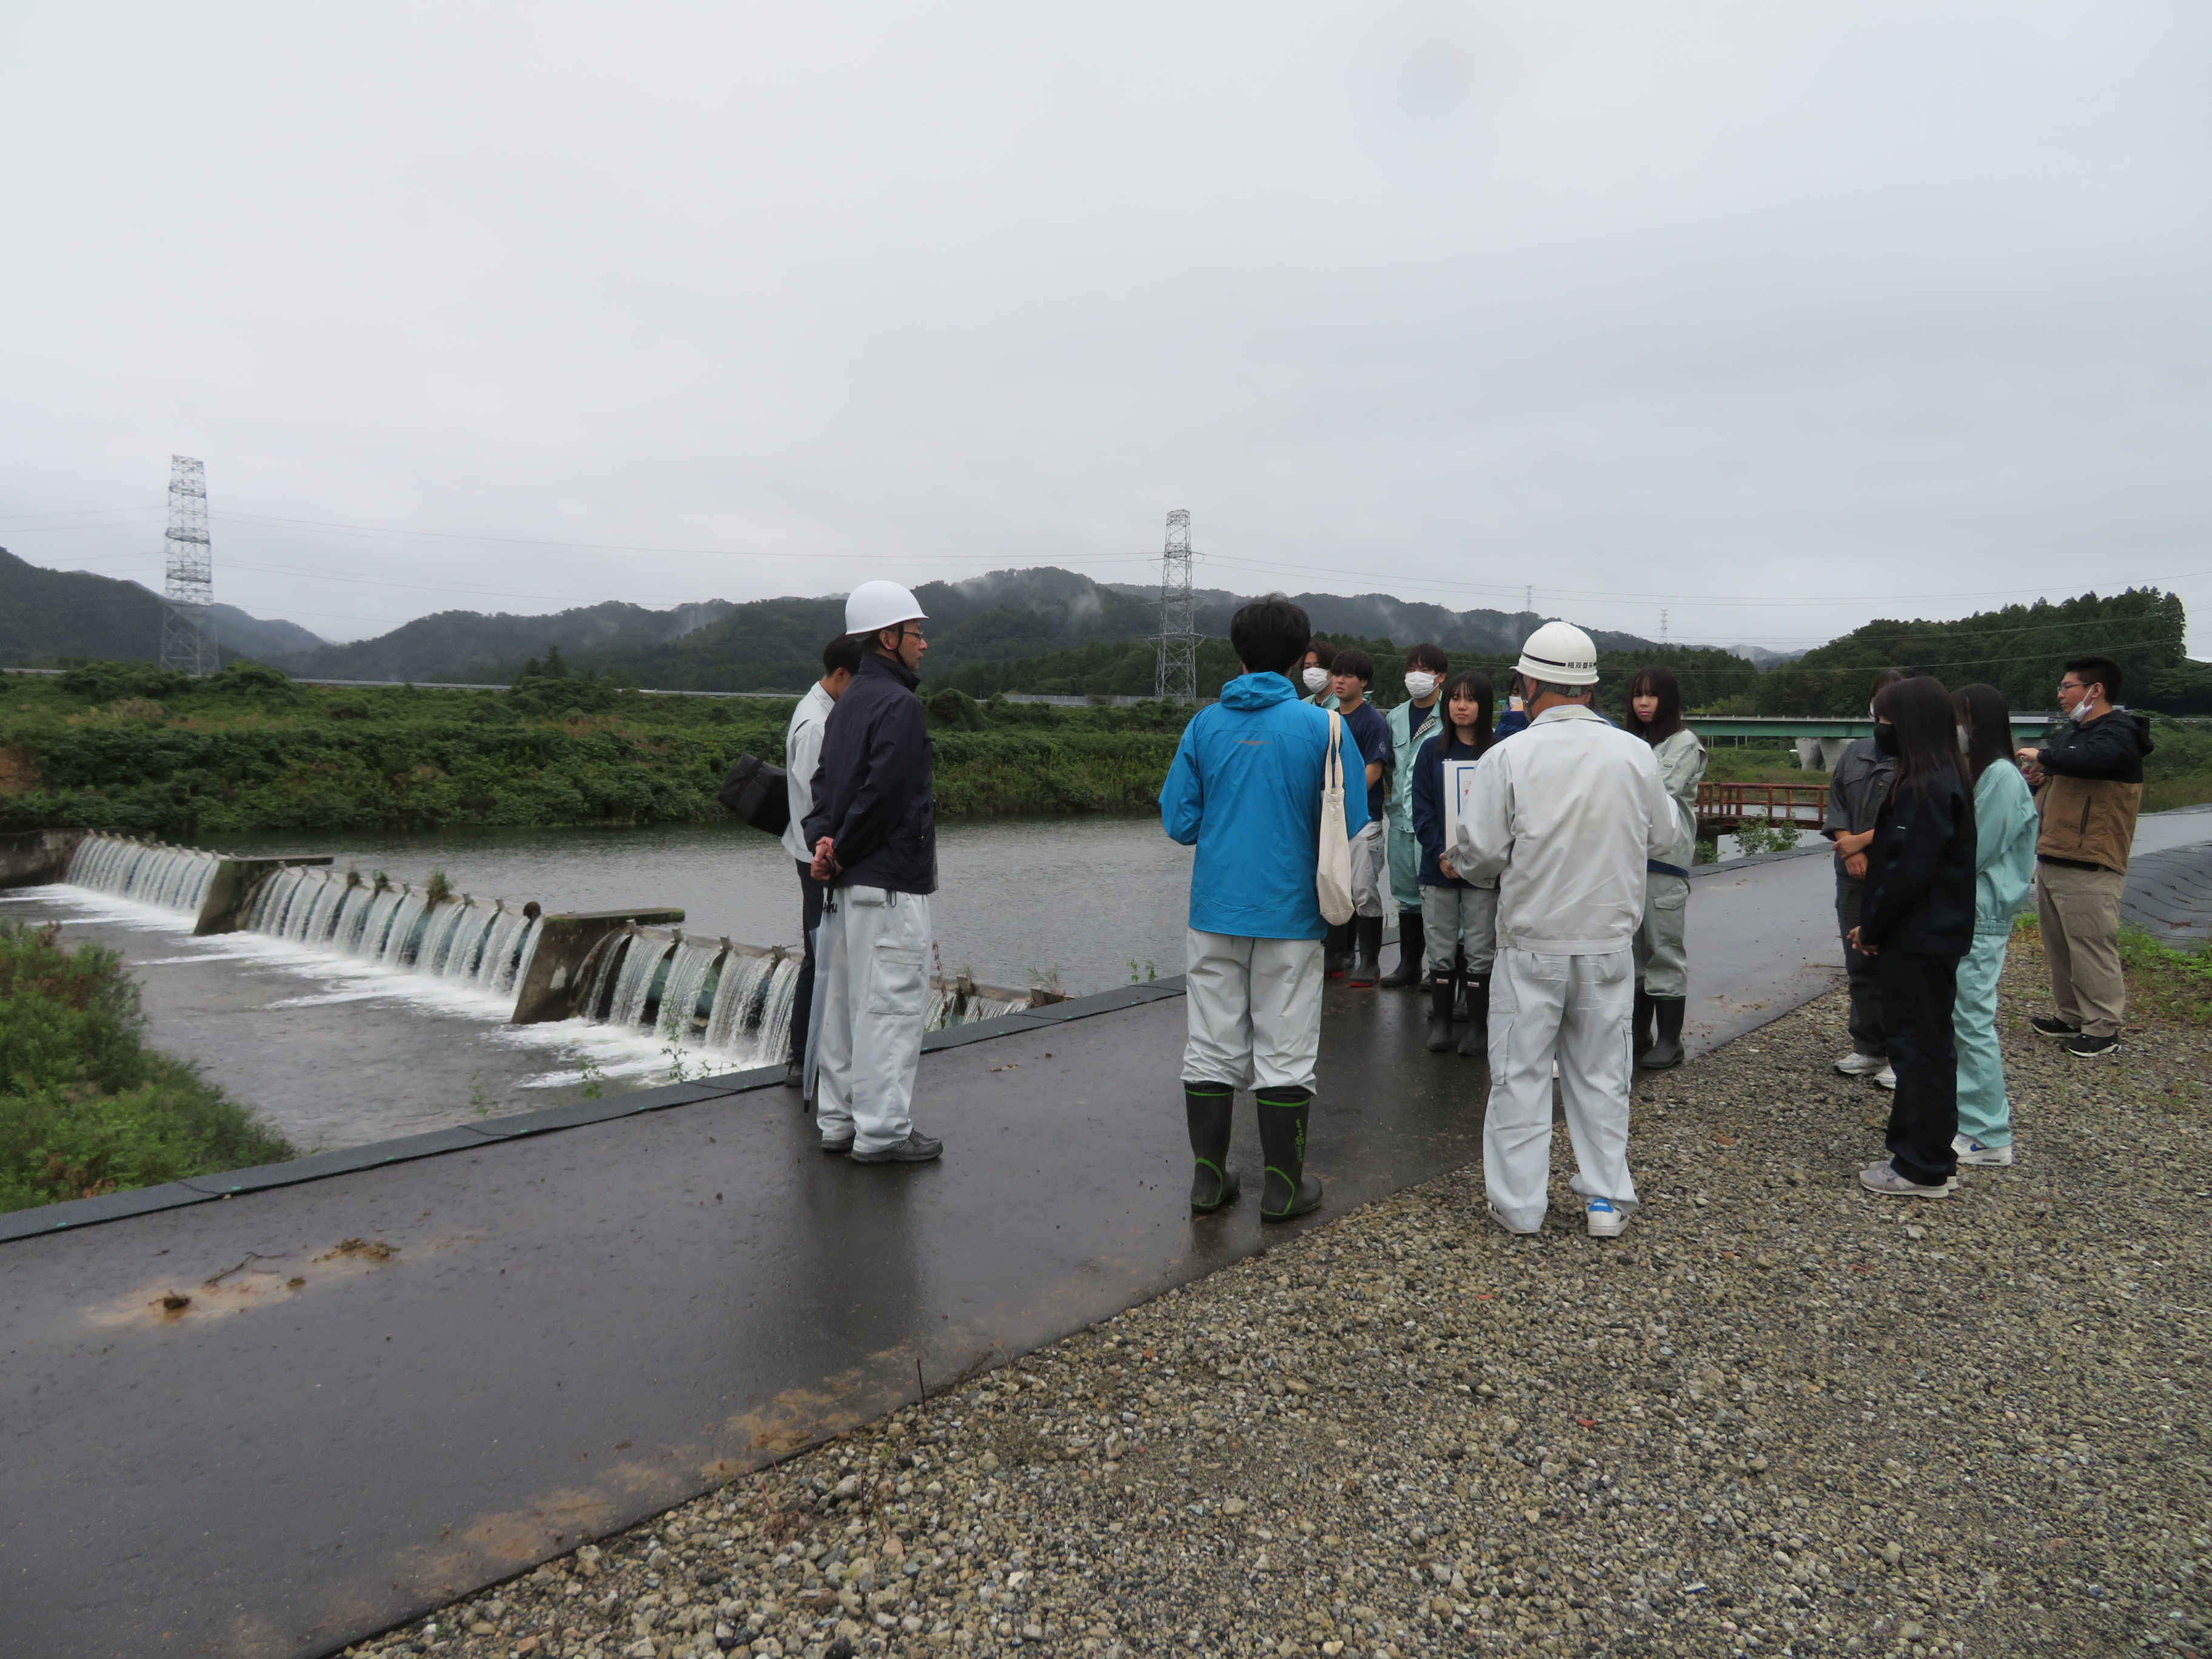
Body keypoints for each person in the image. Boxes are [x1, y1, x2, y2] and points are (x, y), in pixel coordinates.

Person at [1450, 622, 1673, 1238]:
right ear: (1592, 688)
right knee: (1603, 1073)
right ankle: (1606, 1201)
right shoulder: (1634, 752)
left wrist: (1459, 860)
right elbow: (1668, 836)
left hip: (1532, 944)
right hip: (1607, 942)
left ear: (1528, 684)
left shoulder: (1508, 756)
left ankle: (1521, 1208)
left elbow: (1483, 855)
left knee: (1520, 1075)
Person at [1160, 597, 1367, 1221]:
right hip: (1292, 913)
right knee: (1286, 1048)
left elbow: (1180, 820)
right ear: (1302, 657)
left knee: (1210, 1044)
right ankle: (1283, 1188)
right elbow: (1353, 820)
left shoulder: (1204, 726)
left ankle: (1208, 1182)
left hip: (1215, 908)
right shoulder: (1326, 728)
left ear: (1239, 651)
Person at [802, 580, 943, 1165]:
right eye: (915, 633)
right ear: (888, 638)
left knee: (843, 1007)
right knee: (889, 1009)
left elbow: (823, 789)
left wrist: (825, 844)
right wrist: (844, 846)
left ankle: (838, 1122)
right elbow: (883, 794)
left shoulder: (847, 702)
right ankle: (883, 1133)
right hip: (887, 885)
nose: (923, 644)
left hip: (843, 891)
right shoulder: (899, 705)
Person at [1847, 675, 1977, 1198]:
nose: (1879, 729)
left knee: (1918, 1049)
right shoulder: (1946, 776)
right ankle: (1929, 1155)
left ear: (1909, 726)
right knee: (1931, 1046)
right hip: (1933, 933)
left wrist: (1874, 928)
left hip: (1919, 937)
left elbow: (1904, 871)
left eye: (1885, 720)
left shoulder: (1922, 787)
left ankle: (1919, 1165)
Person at [2016, 655, 2156, 1058]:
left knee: (2092, 948)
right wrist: (2041, 775)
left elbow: (2101, 760)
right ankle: (2072, 1016)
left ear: (2095, 690)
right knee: (2061, 946)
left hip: (2092, 862)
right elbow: (2069, 768)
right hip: (2056, 856)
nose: (2060, 695)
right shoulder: (2077, 734)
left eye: (2068, 687)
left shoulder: (2119, 732)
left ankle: (2104, 1028)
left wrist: (2044, 757)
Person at [1952, 683, 2039, 1167]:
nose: (1955, 731)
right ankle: (1971, 1121)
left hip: (1983, 914)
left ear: (1979, 723)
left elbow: (1975, 848)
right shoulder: (1984, 773)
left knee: (1971, 1021)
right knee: (1961, 1019)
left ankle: (1988, 1134)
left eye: (1960, 719)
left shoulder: (2002, 778)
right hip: (1973, 911)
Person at [780, 634, 863, 1088]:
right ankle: (802, 1058)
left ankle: (808, 1056)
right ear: (842, 676)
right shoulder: (817, 726)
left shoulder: (815, 708)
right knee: (821, 956)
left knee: (821, 953)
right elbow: (819, 804)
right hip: (814, 856)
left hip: (805, 850)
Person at [1823, 669, 1909, 1090]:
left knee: (1898, 964)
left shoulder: (1918, 758)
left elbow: (1914, 818)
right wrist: (1847, 844)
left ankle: (1902, 1052)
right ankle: (1868, 1046)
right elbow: (1836, 800)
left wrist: (1861, 845)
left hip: (1894, 874)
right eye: (1880, 701)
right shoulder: (1855, 751)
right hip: (1851, 875)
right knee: (1859, 962)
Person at [1409, 669, 1498, 1055]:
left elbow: (1504, 812)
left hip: (1483, 870)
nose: (1461, 706)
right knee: (1441, 946)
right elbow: (1422, 809)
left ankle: (1478, 1027)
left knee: (1480, 947)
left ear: (1484, 706)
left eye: (1471, 699)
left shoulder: (1498, 752)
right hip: (1439, 867)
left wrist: (1482, 858)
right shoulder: (1431, 750)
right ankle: (1442, 1023)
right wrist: (1439, 854)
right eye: (1455, 699)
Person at [1623, 666, 1706, 1070]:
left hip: (1665, 863)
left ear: (1668, 700)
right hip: (1628, 863)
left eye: (1652, 695)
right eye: (1638, 695)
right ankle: (1639, 1034)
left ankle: (1670, 1041)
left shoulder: (1684, 743)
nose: (1643, 702)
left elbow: (1660, 791)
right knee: (1633, 953)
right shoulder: (1629, 741)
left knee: (1664, 951)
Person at [1379, 644, 1449, 988]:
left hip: (1434, 822)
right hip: (1400, 822)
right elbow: (1389, 769)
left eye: (1424, 670)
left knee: (1438, 896)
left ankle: (1440, 970)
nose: (1416, 676)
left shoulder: (1449, 714)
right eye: (1412, 669)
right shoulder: (1395, 716)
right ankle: (1409, 964)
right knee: (1405, 895)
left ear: (1440, 677)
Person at [1326, 648, 1395, 986]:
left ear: (1364, 682)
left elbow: (1373, 771)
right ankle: (1338, 954)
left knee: (1364, 890)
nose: (1339, 680)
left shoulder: (1373, 721)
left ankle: (1370, 961)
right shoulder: (1328, 717)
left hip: (1362, 819)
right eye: (1336, 674)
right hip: (1332, 820)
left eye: (1348, 675)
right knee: (1334, 887)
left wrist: (1341, 798)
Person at [1300, 639, 1340, 709]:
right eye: (1307, 667)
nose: (1312, 671)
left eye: (1318, 666)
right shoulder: (1302, 706)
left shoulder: (1346, 705)